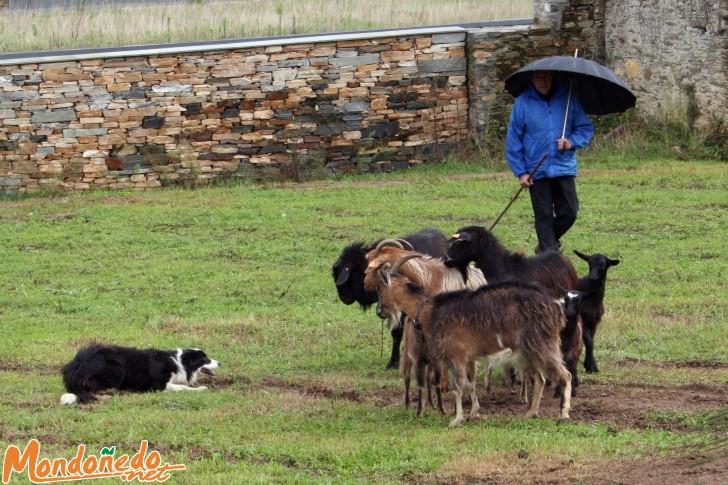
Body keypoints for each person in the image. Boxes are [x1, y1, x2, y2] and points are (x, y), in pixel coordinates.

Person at [505, 70, 594, 254]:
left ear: (553, 77)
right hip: (536, 169)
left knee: (570, 212)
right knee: (543, 215)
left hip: (563, 167)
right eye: (539, 78)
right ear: (532, 79)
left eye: (546, 77)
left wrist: (571, 142)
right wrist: (521, 172)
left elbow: (585, 128)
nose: (543, 82)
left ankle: (546, 244)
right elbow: (513, 140)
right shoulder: (523, 103)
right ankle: (549, 253)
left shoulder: (568, 99)